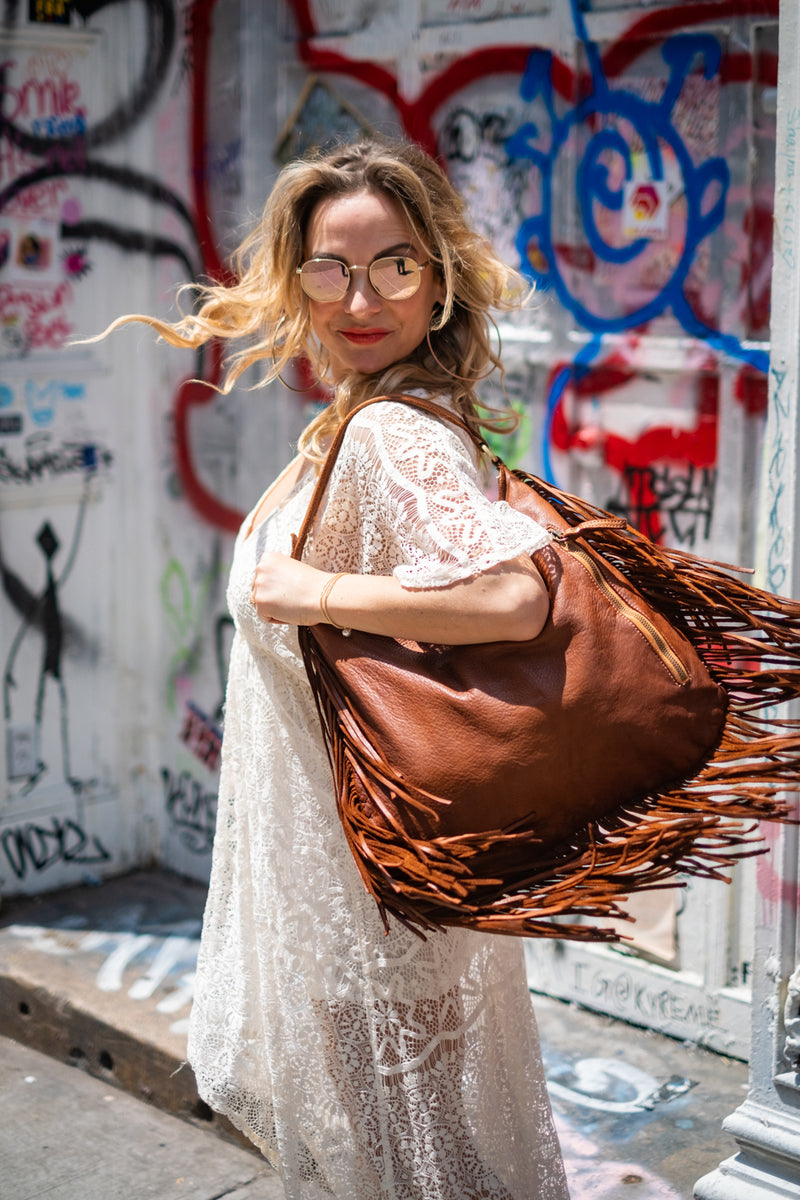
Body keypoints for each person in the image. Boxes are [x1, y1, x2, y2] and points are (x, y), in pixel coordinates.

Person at [112, 138, 569, 1199]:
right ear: (295, 275)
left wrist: (308, 594)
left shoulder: (391, 437)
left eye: (393, 264)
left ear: (439, 278)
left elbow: (510, 598)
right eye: (330, 266)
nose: (358, 296)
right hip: (361, 875)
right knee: (411, 1156)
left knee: (413, 1167)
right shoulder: (369, 416)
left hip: (369, 897)